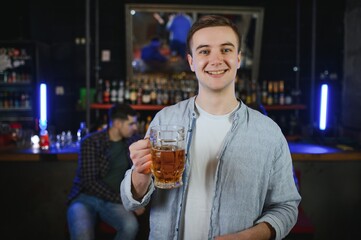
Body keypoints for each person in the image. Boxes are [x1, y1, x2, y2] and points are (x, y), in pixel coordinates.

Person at [121, 15, 301, 240]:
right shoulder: (165, 120)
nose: (216, 60)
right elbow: (131, 201)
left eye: (226, 50)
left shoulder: (269, 132)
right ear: (191, 62)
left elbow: (286, 206)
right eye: (204, 51)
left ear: (238, 58)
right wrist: (140, 172)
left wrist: (249, 237)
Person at [67, 103, 142, 240]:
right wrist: (127, 201)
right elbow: (90, 183)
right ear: (118, 123)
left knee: (131, 226)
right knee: (82, 234)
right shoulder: (91, 142)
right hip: (85, 198)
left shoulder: (133, 141)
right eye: (131, 124)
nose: (135, 128)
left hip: (113, 203)